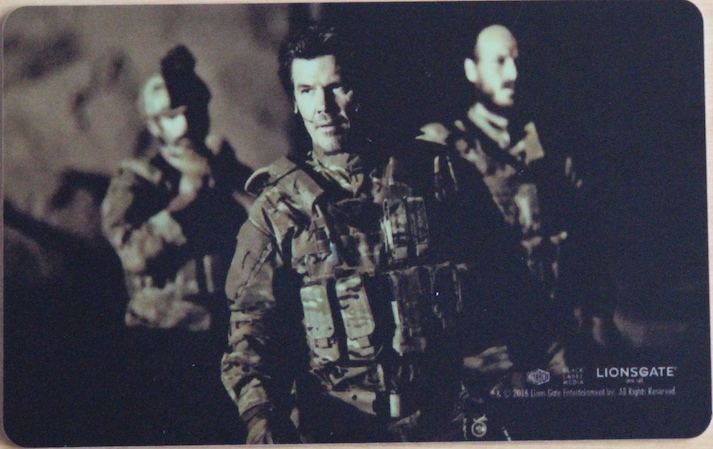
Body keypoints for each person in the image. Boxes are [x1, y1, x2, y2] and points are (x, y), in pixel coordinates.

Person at [219, 23, 521, 443]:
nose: (323, 107)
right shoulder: (278, 209)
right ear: (295, 102)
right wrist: (261, 419)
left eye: (335, 87)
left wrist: (521, 378)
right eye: (307, 90)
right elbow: (250, 338)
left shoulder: (438, 175)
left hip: (446, 421)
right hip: (340, 429)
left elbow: (513, 284)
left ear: (359, 87)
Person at [416, 24, 582, 439]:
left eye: (517, 61)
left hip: (558, 332)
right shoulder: (444, 151)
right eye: (499, 62)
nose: (513, 74)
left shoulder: (551, 142)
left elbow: (581, 233)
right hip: (494, 341)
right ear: (471, 70)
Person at [101, 44, 253, 333]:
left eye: (192, 111)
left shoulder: (227, 169)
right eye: (172, 116)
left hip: (227, 324)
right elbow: (133, 257)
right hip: (163, 328)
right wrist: (185, 202)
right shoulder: (136, 180)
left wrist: (230, 183)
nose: (185, 125)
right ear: (154, 125)